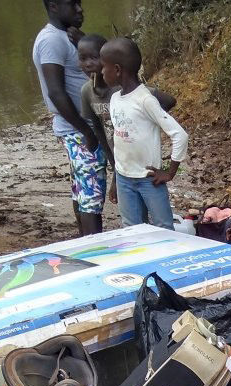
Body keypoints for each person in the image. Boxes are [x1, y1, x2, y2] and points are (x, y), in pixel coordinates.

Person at [77, 34, 177, 232]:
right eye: (83, 58)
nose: (89, 64)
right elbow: (99, 133)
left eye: (96, 58)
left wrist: (149, 122)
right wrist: (116, 171)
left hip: (143, 166)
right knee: (133, 225)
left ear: (115, 66)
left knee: (161, 223)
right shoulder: (88, 93)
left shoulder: (135, 92)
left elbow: (168, 102)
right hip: (123, 165)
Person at [33, 0, 106, 236]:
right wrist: (86, 130)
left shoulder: (67, 37)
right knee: (90, 196)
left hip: (81, 128)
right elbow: (55, 91)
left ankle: (84, 243)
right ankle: (93, 248)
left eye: (80, 3)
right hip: (78, 130)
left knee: (83, 189)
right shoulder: (51, 40)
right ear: (53, 6)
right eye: (72, 4)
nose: (79, 9)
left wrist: (84, 41)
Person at [101, 37, 189, 230]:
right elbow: (120, 144)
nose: (101, 72)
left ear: (116, 69)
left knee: (164, 228)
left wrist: (170, 172)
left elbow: (180, 135)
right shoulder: (115, 99)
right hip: (124, 178)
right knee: (132, 230)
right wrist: (116, 179)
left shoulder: (145, 100)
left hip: (149, 179)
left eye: (103, 67)